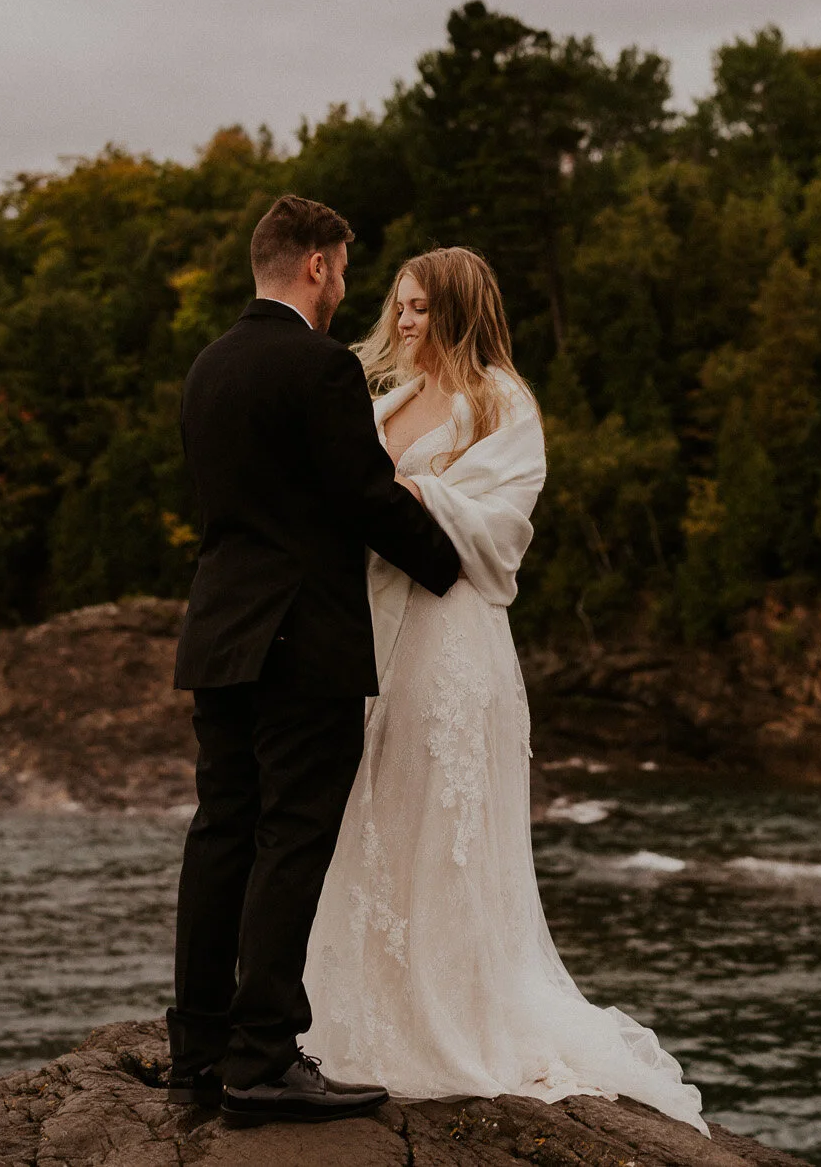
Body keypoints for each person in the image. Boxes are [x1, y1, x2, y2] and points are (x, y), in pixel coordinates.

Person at [301, 246, 707, 1132]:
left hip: (451, 641)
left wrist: (413, 491)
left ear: (459, 310)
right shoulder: (388, 401)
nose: (403, 321)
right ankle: (359, 1016)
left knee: (444, 827)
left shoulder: (501, 402)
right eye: (398, 306)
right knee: (374, 814)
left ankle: (452, 1017)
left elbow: (502, 525)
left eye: (420, 308)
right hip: (374, 635)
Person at [168, 196, 462, 1128]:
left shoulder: (207, 368)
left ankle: (198, 1051)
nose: (345, 288)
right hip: (304, 641)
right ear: (316, 268)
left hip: (218, 635)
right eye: (341, 269)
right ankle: (262, 1058)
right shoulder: (320, 366)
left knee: (221, 835)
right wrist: (450, 564)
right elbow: (363, 495)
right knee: (291, 839)